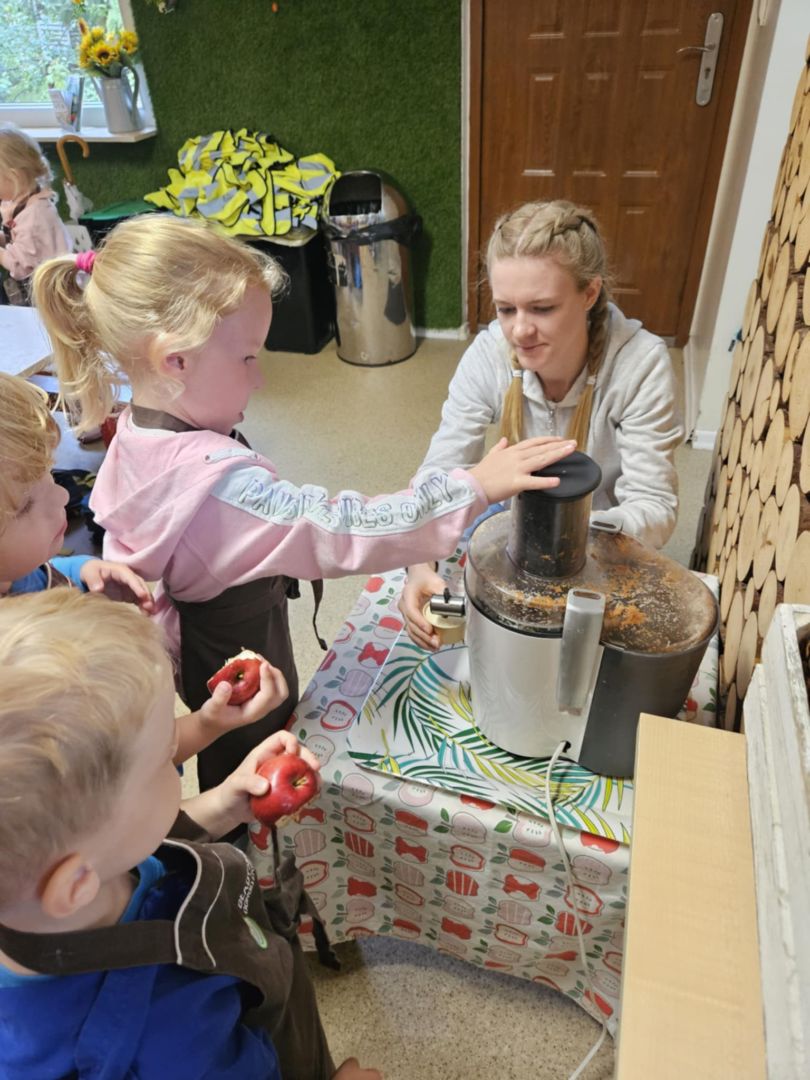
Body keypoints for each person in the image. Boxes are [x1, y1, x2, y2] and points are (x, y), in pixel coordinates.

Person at [32, 214, 576, 792]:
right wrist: (474, 487)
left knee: (234, 756)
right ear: (176, 361)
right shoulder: (222, 491)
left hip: (196, 649)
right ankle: (250, 844)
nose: (260, 379)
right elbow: (345, 528)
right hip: (238, 661)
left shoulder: (136, 433)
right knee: (256, 765)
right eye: (248, 358)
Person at [0, 589, 381, 1080]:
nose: (177, 762)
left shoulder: (63, 878)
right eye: (166, 759)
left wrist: (222, 804)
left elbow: (136, 846)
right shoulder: (171, 1037)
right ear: (76, 884)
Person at [400, 199, 684, 650]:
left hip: (600, 543)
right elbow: (439, 473)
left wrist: (560, 540)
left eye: (543, 308)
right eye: (505, 309)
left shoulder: (640, 364)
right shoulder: (489, 354)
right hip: (509, 528)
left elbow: (654, 507)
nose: (519, 331)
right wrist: (419, 565)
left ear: (590, 294)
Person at [0, 371, 289, 765]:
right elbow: (122, 769)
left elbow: (43, 573)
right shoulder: (27, 683)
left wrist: (83, 572)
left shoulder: (16, 573)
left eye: (49, 475)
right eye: (27, 505)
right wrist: (207, 726)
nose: (63, 495)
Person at [0, 125, 71, 305]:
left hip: (54, 293)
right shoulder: (19, 200)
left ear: (14, 177)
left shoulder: (34, 216)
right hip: (40, 287)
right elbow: (20, 241)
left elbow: (20, 265)